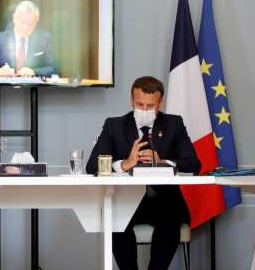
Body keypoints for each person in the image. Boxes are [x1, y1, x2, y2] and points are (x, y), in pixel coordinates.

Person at [86, 76, 201, 270]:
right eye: (140, 105)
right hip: (126, 201)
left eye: (150, 106)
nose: (145, 111)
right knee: (116, 222)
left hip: (165, 203)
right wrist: (124, 164)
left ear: (160, 103)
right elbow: (92, 166)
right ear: (131, 101)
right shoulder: (114, 125)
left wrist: (163, 161)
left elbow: (194, 165)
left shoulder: (174, 124)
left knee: (169, 223)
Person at [0, 0, 57, 77]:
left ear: (36, 23)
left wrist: (34, 72)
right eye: (23, 22)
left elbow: (54, 68)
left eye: (30, 24)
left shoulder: (44, 39)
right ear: (14, 18)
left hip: (33, 88)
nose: (25, 27)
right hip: (5, 87)